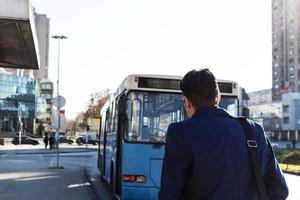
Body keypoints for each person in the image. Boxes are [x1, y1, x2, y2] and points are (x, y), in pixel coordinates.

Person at [159, 69, 288, 200]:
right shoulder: (254, 131)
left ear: (186, 102)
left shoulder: (180, 133)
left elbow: (169, 194)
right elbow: (280, 190)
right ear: (218, 97)